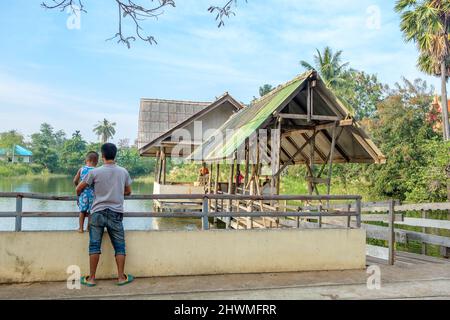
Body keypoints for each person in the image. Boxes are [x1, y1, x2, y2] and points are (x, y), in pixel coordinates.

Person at [76, 143, 134, 287]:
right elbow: (128, 191)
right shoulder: (123, 172)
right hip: (116, 213)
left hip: (97, 212)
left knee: (94, 246)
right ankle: (121, 278)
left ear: (102, 156)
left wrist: (81, 198)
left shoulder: (94, 172)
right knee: (120, 247)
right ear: (115, 155)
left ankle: (92, 278)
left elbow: (78, 188)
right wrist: (117, 191)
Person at [73, 151, 99, 233]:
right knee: (90, 212)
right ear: (96, 161)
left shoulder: (81, 169)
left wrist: (78, 187)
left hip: (83, 193)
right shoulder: (97, 170)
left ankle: (80, 228)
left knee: (82, 211)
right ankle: (88, 228)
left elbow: (75, 180)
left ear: (86, 160)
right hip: (92, 194)